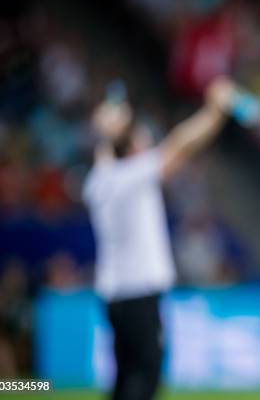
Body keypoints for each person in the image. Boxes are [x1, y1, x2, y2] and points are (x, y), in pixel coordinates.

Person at [83, 77, 235, 400]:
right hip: (139, 294)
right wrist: (214, 111)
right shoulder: (132, 175)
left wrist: (111, 121)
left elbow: (107, 147)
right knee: (145, 378)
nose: (148, 139)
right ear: (133, 146)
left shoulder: (98, 180)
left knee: (124, 377)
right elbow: (182, 142)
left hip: (114, 295)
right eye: (142, 136)